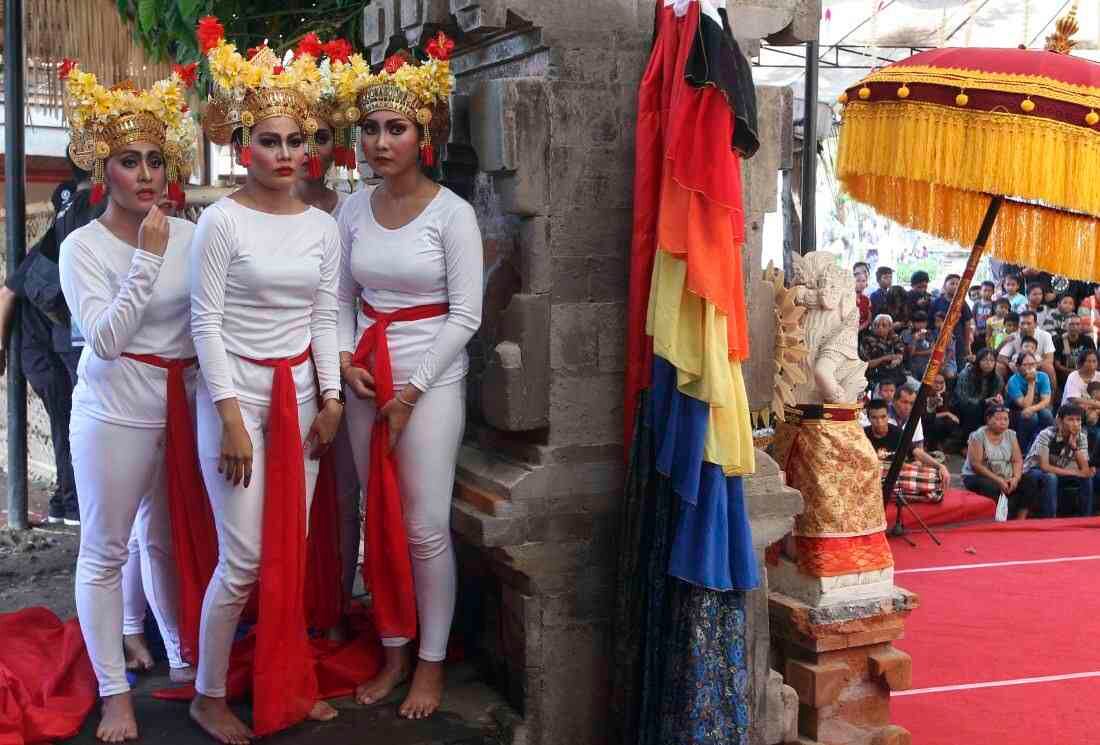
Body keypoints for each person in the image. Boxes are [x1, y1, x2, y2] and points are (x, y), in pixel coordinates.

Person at [189, 25, 342, 741]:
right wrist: (228, 417)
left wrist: (334, 396)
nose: (285, 156)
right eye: (269, 142)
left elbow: (326, 313)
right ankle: (208, 692)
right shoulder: (219, 222)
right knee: (246, 555)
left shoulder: (322, 226)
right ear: (241, 147)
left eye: (294, 142)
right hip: (235, 397)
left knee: (293, 547)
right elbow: (205, 324)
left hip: (301, 397)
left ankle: (288, 678)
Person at [337, 32, 482, 720]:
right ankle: (394, 647)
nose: (381, 141)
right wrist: (343, 361)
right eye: (371, 128)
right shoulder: (351, 209)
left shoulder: (454, 214)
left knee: (424, 525)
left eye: (396, 128)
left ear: (422, 135)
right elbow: (335, 299)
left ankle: (430, 662)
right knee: (379, 518)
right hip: (369, 371)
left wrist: (413, 391)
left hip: (432, 375)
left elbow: (467, 315)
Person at [56, 63, 196, 742]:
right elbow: (105, 340)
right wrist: (145, 257)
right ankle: (115, 692)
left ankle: (186, 659)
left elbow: (213, 321)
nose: (145, 173)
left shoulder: (192, 235)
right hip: (113, 406)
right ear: (101, 172)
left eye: (153, 160)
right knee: (106, 548)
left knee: (165, 538)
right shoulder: (81, 246)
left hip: (183, 401)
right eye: (127, 161)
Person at [291, 82, 363, 627]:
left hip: (340, 364)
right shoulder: (246, 211)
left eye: (320, 136)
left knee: (341, 492)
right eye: (297, 138)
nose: (309, 150)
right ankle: (284, 610)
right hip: (275, 371)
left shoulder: (351, 211)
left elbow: (347, 299)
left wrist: (337, 369)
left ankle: (336, 603)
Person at [1022, 404, 1094, 518]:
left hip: (1059, 470)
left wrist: (1074, 446)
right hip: (1033, 470)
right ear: (1060, 421)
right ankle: (1050, 520)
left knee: (1087, 478)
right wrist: (1075, 472)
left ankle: (1085, 518)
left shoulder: (1081, 436)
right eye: (1070, 419)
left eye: (1078, 420)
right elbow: (1044, 467)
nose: (1075, 423)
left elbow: (1085, 470)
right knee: (1051, 477)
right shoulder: (1046, 434)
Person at [962, 404, 1028, 518]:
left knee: (1030, 481)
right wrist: (998, 480)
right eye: (998, 419)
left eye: (1005, 419)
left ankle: (1020, 519)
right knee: (990, 486)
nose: (1002, 422)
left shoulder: (1011, 435)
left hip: (1005, 474)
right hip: (980, 476)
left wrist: (1015, 478)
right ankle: (997, 518)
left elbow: (1017, 460)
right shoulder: (978, 436)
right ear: (988, 420)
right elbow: (976, 465)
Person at [891, 383, 952, 488]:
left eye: (912, 403)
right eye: (904, 402)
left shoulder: (915, 417)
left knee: (935, 476)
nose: (908, 407)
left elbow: (918, 446)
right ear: (894, 401)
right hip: (887, 460)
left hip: (907, 461)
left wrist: (918, 462)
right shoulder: (882, 416)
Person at [1006, 351, 1054, 454]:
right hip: (1016, 411)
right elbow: (1024, 405)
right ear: (1018, 367)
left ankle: (1046, 447)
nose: (1029, 367)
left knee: (1047, 415)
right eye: (1025, 365)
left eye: (1032, 364)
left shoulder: (1043, 376)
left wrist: (1032, 409)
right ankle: (1023, 449)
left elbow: (1046, 401)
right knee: (1031, 417)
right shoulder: (1013, 381)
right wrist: (1031, 383)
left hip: (1035, 408)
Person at [954, 348, 1005, 436]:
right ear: (978, 361)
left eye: (992, 360)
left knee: (999, 410)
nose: (988, 363)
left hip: (984, 404)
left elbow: (996, 395)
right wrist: (983, 402)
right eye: (985, 360)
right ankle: (969, 441)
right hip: (966, 405)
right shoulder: (966, 374)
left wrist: (998, 401)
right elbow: (962, 398)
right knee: (974, 410)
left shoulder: (997, 378)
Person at [997, 310, 1056, 383]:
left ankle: (1052, 394)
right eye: (1022, 323)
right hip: (1017, 368)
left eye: (1028, 323)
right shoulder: (1013, 336)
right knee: (999, 366)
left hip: (1037, 366)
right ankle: (998, 393)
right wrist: (1010, 363)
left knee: (1048, 367)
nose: (1025, 326)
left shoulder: (1045, 335)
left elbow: (1049, 359)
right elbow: (1001, 356)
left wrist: (1031, 366)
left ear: (1035, 324)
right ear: (1019, 324)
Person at [931, 273, 973, 366]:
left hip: (958, 340)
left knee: (959, 364)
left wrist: (967, 344)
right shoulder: (936, 302)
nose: (955, 286)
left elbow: (967, 323)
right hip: (940, 340)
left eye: (957, 284)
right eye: (952, 283)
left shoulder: (962, 303)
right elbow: (931, 322)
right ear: (945, 285)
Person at [860, 314, 907, 388]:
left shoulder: (895, 337)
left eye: (884, 325)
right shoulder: (867, 341)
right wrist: (884, 358)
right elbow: (866, 364)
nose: (880, 328)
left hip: (896, 373)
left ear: (890, 327)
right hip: (876, 376)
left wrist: (897, 360)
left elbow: (900, 353)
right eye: (877, 325)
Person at [1053, 315, 1096, 389]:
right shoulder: (1058, 341)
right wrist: (1074, 372)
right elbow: (1057, 365)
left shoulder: (1088, 340)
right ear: (1065, 325)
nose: (1075, 327)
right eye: (1071, 324)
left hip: (1086, 374)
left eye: (1077, 324)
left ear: (1080, 326)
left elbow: (1095, 360)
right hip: (1065, 377)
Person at [923, 373, 960, 452]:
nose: (938, 385)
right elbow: (926, 416)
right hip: (923, 424)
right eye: (935, 382)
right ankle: (930, 446)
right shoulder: (922, 394)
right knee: (937, 422)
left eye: (941, 383)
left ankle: (941, 445)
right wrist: (947, 413)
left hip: (935, 422)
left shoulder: (943, 395)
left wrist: (939, 394)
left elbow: (943, 410)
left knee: (950, 422)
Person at [902, 310, 932, 380]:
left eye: (923, 322)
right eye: (918, 322)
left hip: (927, 367)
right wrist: (915, 339)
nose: (921, 325)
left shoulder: (930, 333)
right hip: (912, 368)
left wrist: (917, 353)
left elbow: (932, 351)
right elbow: (911, 353)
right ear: (913, 323)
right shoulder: (906, 333)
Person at [972, 280, 996, 349]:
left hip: (989, 333)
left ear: (993, 292)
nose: (987, 293)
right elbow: (972, 317)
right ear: (980, 291)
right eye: (985, 290)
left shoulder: (994, 305)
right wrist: (975, 329)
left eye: (989, 291)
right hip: (977, 332)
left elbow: (995, 319)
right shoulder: (976, 304)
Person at [853, 262, 871, 329]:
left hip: (863, 331)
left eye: (863, 281)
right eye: (858, 280)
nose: (861, 283)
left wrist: (861, 328)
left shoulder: (866, 299)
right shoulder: (848, 298)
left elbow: (869, 319)